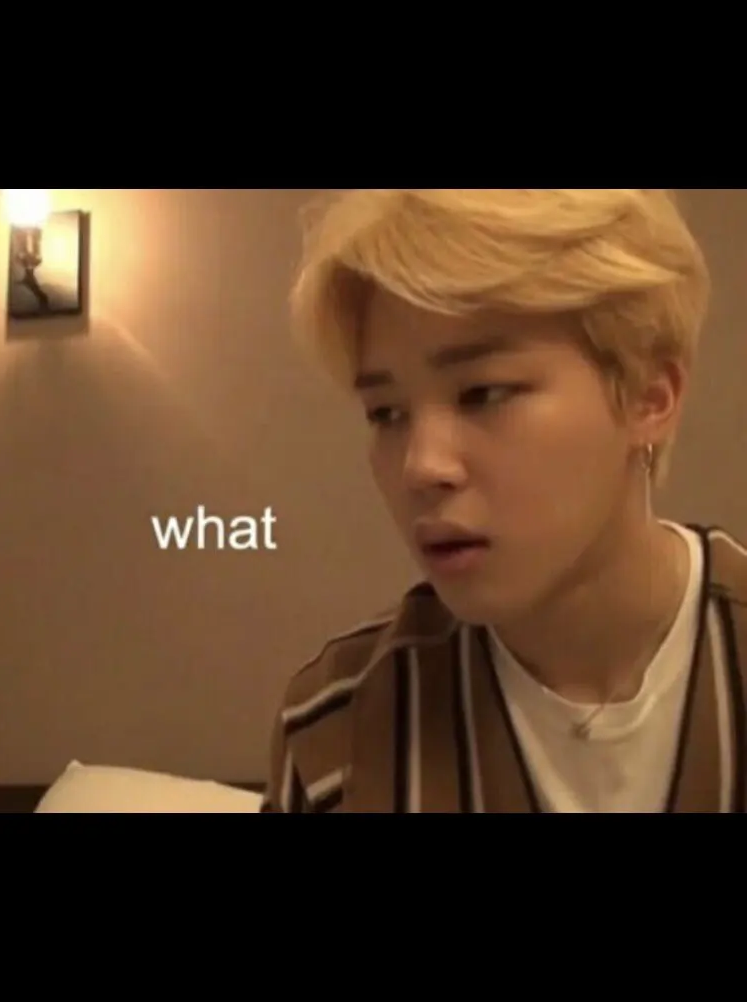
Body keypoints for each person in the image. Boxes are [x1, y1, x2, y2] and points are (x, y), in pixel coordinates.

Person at [261, 189, 747, 813]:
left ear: (649, 396)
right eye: (386, 412)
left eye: (483, 393)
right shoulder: (341, 727)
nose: (421, 467)